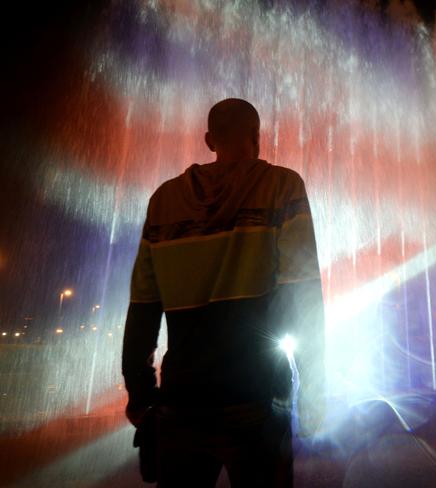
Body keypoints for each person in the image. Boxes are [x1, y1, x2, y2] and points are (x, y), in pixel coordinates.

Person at [122, 98, 325, 487]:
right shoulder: (282, 188)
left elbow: (143, 309)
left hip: (181, 404)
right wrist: (313, 391)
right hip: (257, 401)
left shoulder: (163, 202)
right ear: (257, 137)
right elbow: (303, 297)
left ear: (208, 140)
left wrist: (141, 394)